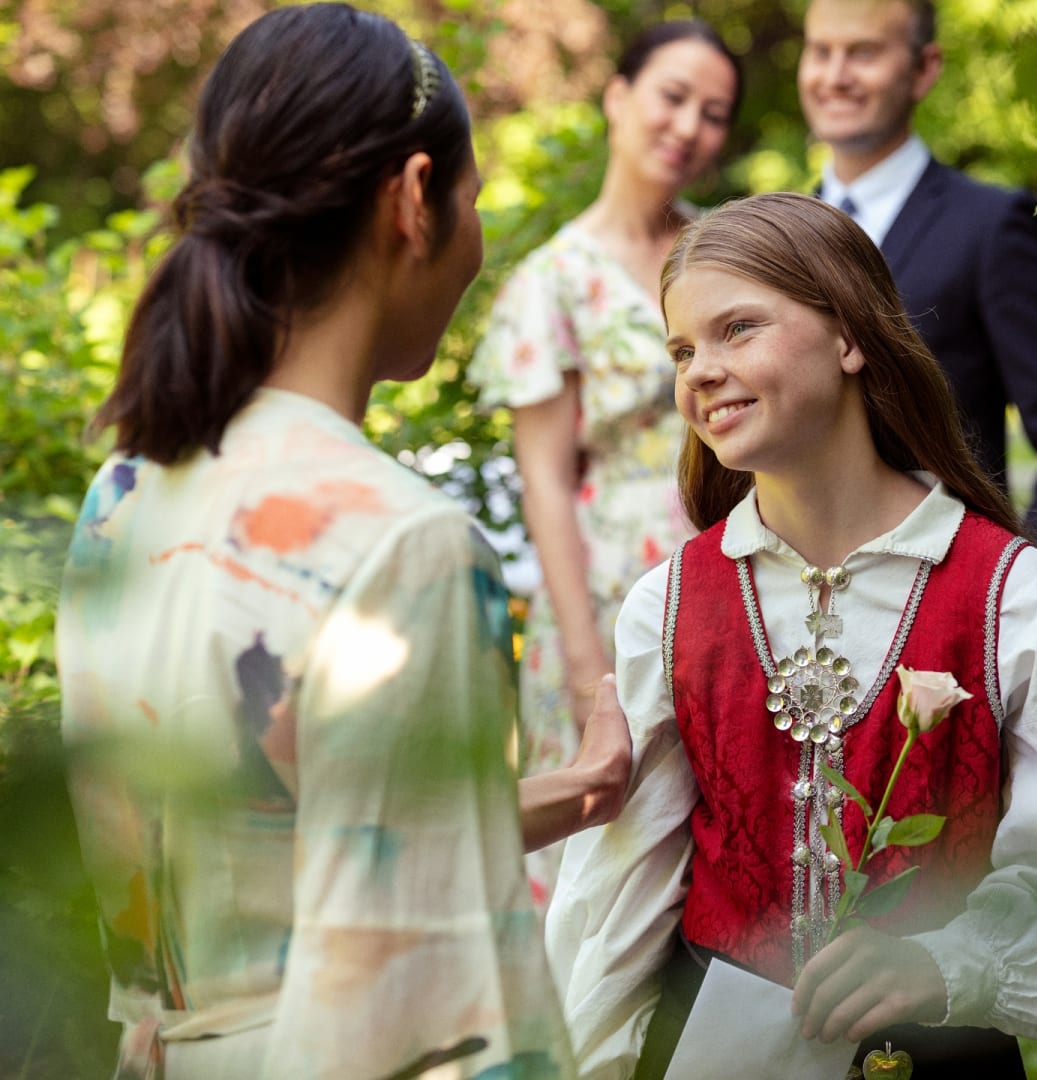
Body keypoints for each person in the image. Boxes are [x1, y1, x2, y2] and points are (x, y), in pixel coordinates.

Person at [56, 5, 630, 1077]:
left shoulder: (124, 496)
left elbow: (278, 840)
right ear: (412, 198)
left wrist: (581, 790)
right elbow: (427, 1010)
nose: (476, 236)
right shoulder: (403, 543)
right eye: (472, 198)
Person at [545, 193, 1037, 1079]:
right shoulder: (672, 603)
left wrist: (947, 963)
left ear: (849, 338)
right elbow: (618, 893)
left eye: (737, 329)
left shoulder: (1006, 591)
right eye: (682, 348)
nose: (700, 370)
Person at [468, 20, 741, 910]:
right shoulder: (555, 278)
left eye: (714, 113)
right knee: (608, 841)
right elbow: (543, 478)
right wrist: (591, 663)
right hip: (605, 592)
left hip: (733, 564)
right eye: (672, 96)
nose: (689, 126)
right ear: (618, 97)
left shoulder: (724, 255)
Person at [798, 0, 1037, 582]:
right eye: (820, 51)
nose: (835, 75)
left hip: (940, 600)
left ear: (924, 69)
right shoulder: (779, 233)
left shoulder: (995, 227)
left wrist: (1015, 602)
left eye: (863, 52)